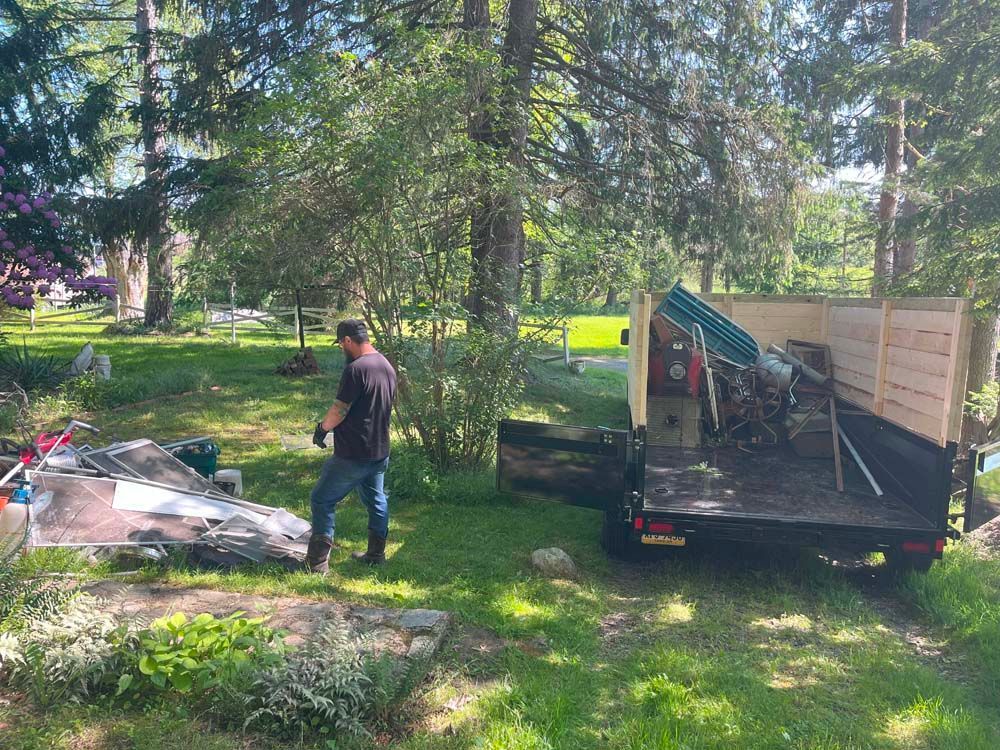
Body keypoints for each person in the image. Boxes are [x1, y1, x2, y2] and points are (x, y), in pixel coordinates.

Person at [305, 319, 397, 573]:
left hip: (354, 453)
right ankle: (376, 554)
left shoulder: (356, 369)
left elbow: (340, 409)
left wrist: (322, 429)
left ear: (347, 341)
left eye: (341, 345)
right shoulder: (385, 365)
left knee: (322, 499)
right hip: (379, 450)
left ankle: (317, 564)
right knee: (376, 499)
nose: (342, 351)